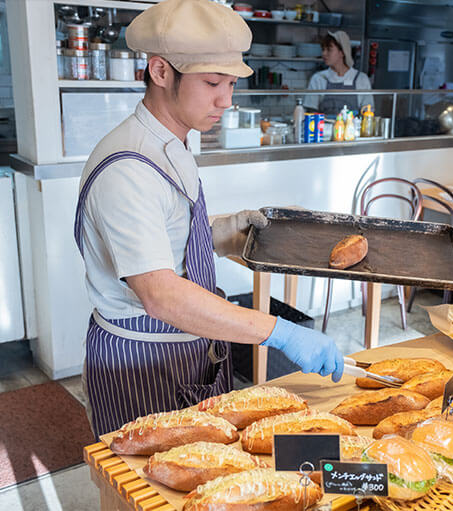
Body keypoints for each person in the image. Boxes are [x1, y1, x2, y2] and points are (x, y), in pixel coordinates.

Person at [74, 0, 343, 437]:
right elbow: (161, 294)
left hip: (188, 352)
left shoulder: (172, 141)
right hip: (144, 367)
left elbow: (167, 238)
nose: (226, 100)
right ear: (161, 72)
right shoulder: (127, 168)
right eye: (213, 82)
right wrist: (280, 333)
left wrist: (227, 231)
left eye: (232, 83)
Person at [305, 31, 374, 116]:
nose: (324, 54)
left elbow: (368, 112)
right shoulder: (319, 78)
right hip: (324, 128)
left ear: (342, 52)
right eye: (323, 49)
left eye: (329, 50)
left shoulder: (361, 79)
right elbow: (310, 112)